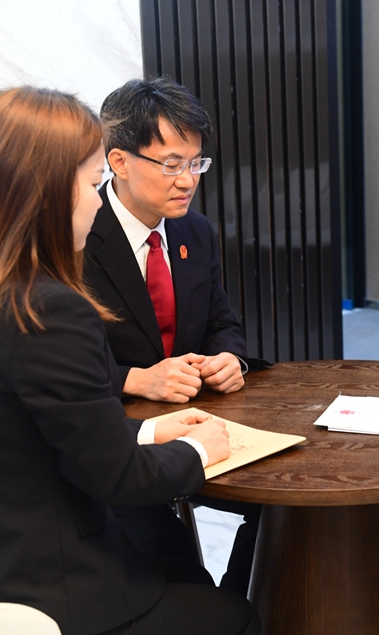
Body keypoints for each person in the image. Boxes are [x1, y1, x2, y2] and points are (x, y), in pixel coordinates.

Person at [0, 86, 260, 635]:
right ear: (46, 191)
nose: (98, 202)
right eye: (92, 182)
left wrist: (151, 432)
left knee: (192, 579)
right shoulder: (49, 310)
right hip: (58, 591)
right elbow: (117, 478)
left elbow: (33, 430)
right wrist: (199, 447)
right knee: (240, 616)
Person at [82, 76, 258, 595]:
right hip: (114, 445)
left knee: (289, 507)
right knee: (177, 573)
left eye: (196, 164)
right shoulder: (75, 235)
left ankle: (243, 603)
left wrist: (230, 359)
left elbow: (222, 321)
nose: (187, 181)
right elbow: (55, 368)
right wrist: (136, 379)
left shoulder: (193, 231)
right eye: (171, 164)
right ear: (119, 162)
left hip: (193, 423)